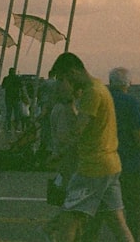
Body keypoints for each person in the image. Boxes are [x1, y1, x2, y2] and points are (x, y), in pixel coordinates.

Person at [39, 52, 134, 242]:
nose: (64, 83)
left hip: (92, 168)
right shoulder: (100, 87)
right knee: (118, 223)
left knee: (69, 220)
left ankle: (50, 230)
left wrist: (67, 101)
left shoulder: (92, 92)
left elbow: (77, 130)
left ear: (73, 72)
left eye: (63, 79)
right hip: (111, 165)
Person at [84, 67, 140, 242]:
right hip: (128, 163)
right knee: (134, 206)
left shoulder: (100, 99)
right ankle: (133, 238)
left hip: (101, 163)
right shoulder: (131, 103)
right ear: (128, 83)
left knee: (97, 208)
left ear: (111, 82)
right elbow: (139, 135)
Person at [1, 67, 23, 132]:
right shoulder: (17, 78)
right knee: (16, 113)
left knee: (9, 113)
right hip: (15, 97)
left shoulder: (6, 78)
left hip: (8, 97)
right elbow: (21, 86)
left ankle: (8, 128)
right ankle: (16, 128)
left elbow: (3, 86)